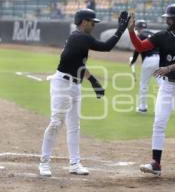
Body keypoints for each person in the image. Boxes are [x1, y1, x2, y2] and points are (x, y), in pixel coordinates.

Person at [38, 9, 130, 177]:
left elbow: (78, 64)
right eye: (92, 22)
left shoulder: (79, 39)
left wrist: (93, 81)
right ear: (83, 21)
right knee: (56, 123)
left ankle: (74, 163)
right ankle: (44, 163)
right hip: (62, 84)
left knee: (74, 126)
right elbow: (106, 47)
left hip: (75, 85)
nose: (94, 25)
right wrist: (121, 29)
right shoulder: (80, 37)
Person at [128, 4, 175, 176]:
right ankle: (156, 164)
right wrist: (131, 31)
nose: (166, 20)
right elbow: (140, 47)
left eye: (169, 18)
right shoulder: (162, 36)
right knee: (159, 123)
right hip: (168, 86)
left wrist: (168, 68)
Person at [129, 20, 160, 113]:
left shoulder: (140, 35)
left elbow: (138, 49)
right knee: (162, 85)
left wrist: (133, 61)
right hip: (159, 59)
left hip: (148, 60)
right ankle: (163, 107)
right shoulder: (153, 34)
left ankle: (142, 108)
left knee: (144, 85)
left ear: (137, 28)